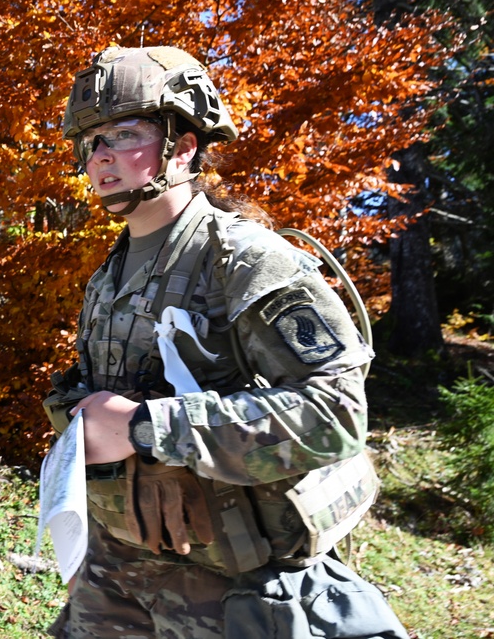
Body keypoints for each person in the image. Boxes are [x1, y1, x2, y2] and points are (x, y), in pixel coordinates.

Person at [42, 45, 409, 639]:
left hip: (231, 580)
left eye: (124, 134)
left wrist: (146, 427)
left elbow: (336, 415)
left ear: (183, 146)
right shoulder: (108, 275)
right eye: (92, 144)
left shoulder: (247, 260)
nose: (101, 157)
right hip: (116, 566)